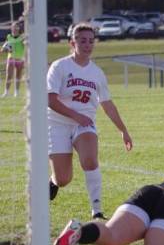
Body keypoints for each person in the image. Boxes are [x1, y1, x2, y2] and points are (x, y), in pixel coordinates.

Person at [47, 23, 132, 219]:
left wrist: (123, 130)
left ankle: (97, 211)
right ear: (72, 43)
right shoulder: (60, 66)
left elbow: (107, 104)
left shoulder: (97, 73)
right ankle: (52, 182)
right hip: (57, 123)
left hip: (84, 124)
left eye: (91, 41)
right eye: (82, 40)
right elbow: (50, 100)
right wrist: (75, 115)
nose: (87, 45)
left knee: (90, 160)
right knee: (63, 179)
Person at [2, 22, 25, 97]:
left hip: (20, 59)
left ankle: (16, 92)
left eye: (16, 27)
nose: (15, 29)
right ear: (11, 28)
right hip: (11, 58)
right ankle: (6, 92)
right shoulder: (9, 36)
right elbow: (5, 46)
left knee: (18, 76)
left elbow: (25, 46)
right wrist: (4, 49)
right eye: (13, 27)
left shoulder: (22, 37)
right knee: (9, 75)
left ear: (19, 28)